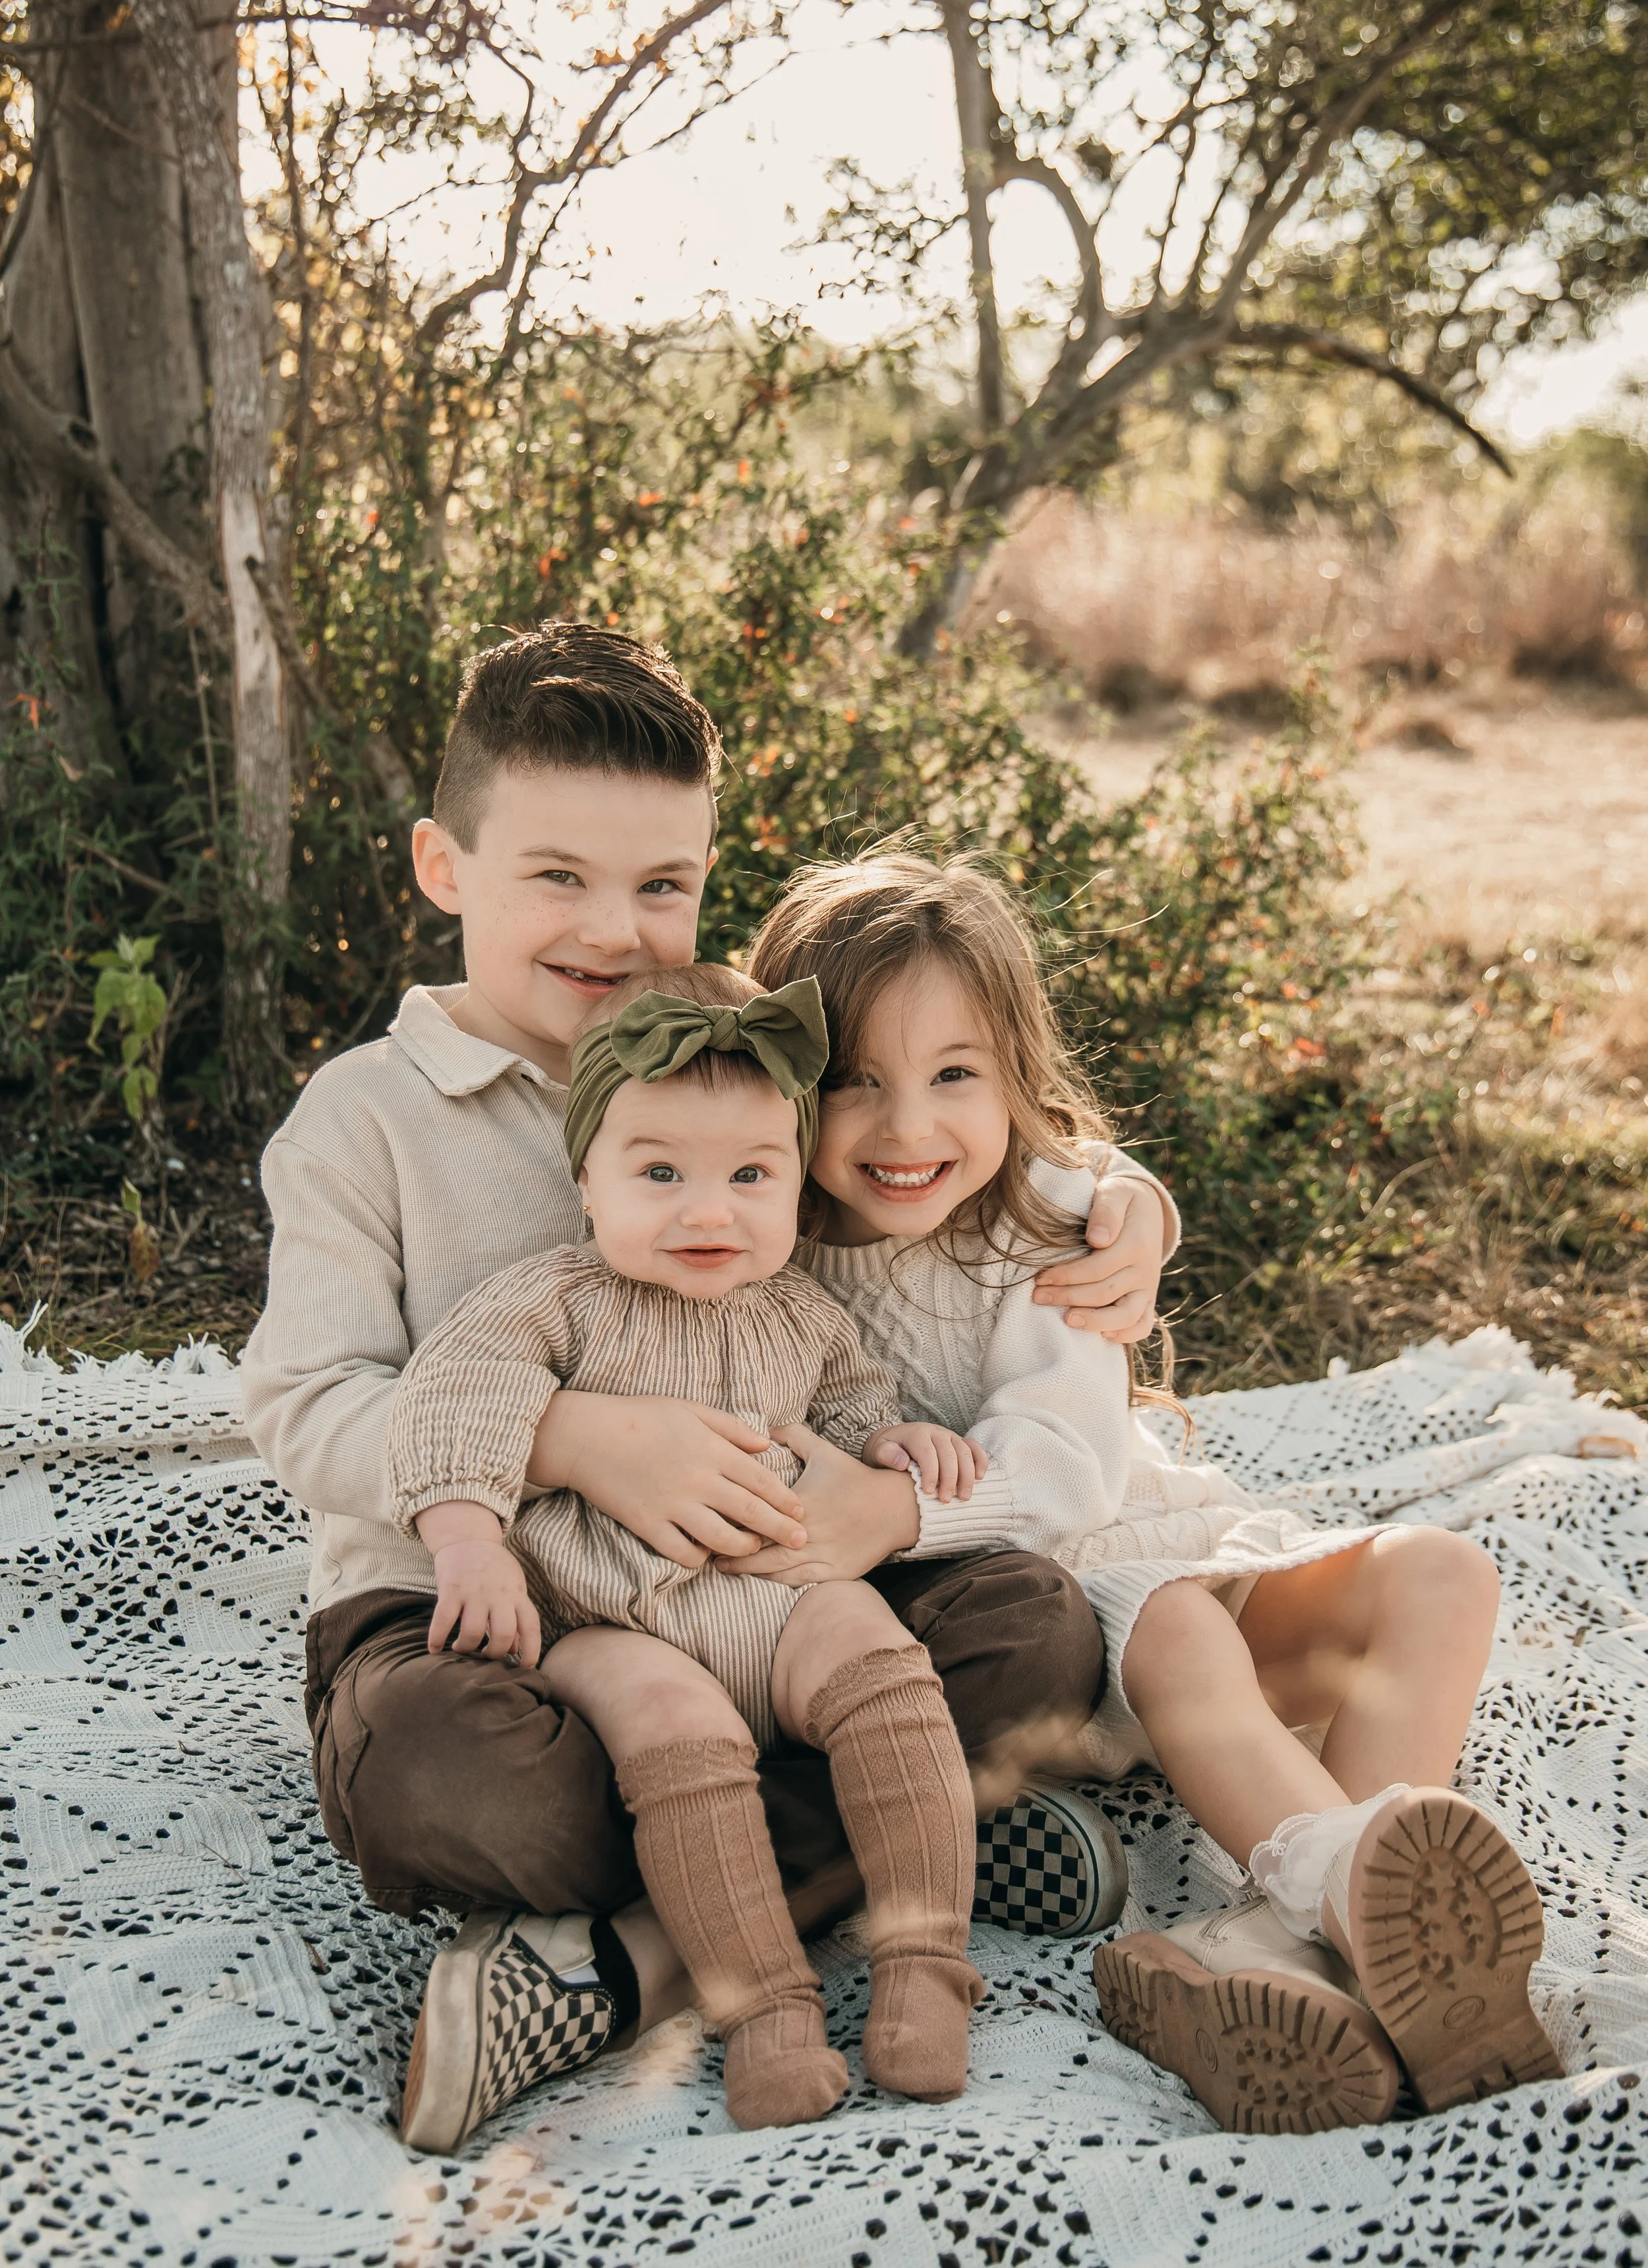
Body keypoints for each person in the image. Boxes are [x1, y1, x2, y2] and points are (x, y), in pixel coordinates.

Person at [241, 623, 1180, 2153]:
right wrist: (568, 1441)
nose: (614, 927)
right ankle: (909, 1837)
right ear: (442, 864)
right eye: (555, 876)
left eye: (661, 885)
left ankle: (644, 1951)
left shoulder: (738, 1061)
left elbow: (933, 1120)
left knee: (1033, 1630)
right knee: (459, 1791)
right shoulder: (363, 1121)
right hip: (479, 1615)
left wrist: (1124, 1195)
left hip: (768, 1581)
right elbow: (303, 1405)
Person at [738, 851, 1561, 2137]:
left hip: (1138, 1540)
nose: (906, 1131)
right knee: (1177, 1620)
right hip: (1036, 1628)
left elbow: (1068, 1468)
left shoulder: (1046, 1215)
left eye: (954, 1075)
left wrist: (1133, 1205)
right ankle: (1354, 1919)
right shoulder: (754, 1246)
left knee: (1442, 1574)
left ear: (1013, 1073)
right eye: (853, 1081)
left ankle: (1305, 1951)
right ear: (787, 1086)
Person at [388, 963, 994, 2135]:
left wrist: (895, 1440)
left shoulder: (806, 1314)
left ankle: (926, 1969)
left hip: (775, 1603)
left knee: (879, 1653)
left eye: (751, 1175)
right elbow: (453, 1400)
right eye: (660, 1172)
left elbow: (859, 1404)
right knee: (677, 1723)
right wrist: (470, 1546)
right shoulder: (551, 1301)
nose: (707, 1211)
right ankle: (765, 2012)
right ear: (586, 1177)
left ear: (795, 1186)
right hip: (612, 1614)